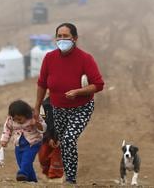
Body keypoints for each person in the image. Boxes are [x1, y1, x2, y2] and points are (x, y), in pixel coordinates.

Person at [34, 22, 105, 184]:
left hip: (81, 108)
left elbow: (98, 85)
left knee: (69, 139)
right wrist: (37, 106)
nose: (62, 39)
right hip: (57, 108)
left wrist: (78, 92)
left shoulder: (85, 59)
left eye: (66, 36)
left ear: (75, 38)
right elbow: (42, 84)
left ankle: (71, 179)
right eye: (59, 36)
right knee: (60, 142)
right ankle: (60, 171)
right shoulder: (49, 58)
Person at [0, 100, 46, 182]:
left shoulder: (34, 117)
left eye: (19, 119)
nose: (17, 121)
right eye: (15, 119)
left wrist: (37, 123)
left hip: (33, 143)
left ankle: (22, 173)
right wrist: (4, 140)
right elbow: (7, 129)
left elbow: (44, 128)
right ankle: (32, 180)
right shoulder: (10, 120)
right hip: (18, 144)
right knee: (21, 162)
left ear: (26, 114)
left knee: (27, 159)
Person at [38, 96, 64, 180]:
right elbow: (41, 123)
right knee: (43, 157)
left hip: (61, 137)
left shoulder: (67, 105)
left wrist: (60, 138)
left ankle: (56, 178)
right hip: (46, 137)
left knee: (57, 158)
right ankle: (48, 174)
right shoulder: (44, 105)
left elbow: (67, 123)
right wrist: (49, 138)